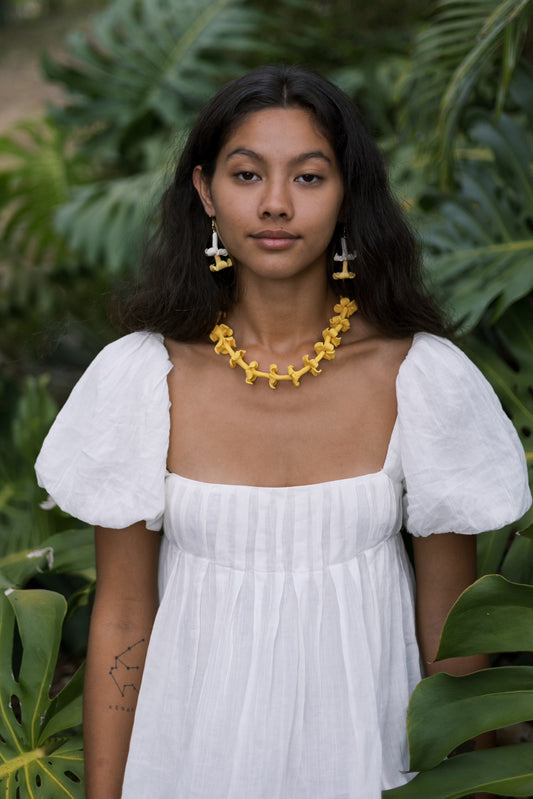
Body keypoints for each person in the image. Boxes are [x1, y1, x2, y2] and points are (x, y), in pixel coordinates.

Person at [35, 65, 531, 799]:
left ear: (346, 194)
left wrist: (473, 786)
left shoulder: (419, 378)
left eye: (307, 177)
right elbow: (125, 613)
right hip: (191, 751)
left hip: (368, 750)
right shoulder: (142, 379)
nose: (274, 204)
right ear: (204, 191)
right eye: (246, 175)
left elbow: (449, 633)